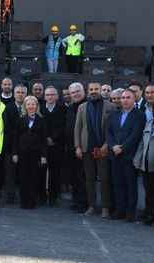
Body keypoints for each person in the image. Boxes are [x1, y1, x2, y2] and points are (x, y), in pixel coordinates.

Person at [74, 81, 116, 218]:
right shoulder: (82, 107)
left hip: (103, 148)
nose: (93, 91)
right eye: (91, 89)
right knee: (89, 178)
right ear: (88, 91)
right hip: (87, 148)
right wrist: (78, 146)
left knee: (104, 179)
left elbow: (113, 130)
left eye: (96, 89)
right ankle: (91, 206)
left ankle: (105, 207)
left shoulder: (111, 106)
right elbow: (77, 128)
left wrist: (106, 145)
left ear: (100, 90)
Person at [106, 89, 144, 221]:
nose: (125, 100)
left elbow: (136, 135)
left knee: (130, 185)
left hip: (129, 156)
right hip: (115, 155)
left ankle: (130, 212)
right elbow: (109, 132)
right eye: (123, 98)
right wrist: (113, 146)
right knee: (118, 184)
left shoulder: (139, 115)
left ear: (134, 100)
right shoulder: (114, 114)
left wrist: (122, 147)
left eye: (128, 97)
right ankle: (119, 210)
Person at [11, 96, 47, 209]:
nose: (31, 106)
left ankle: (32, 201)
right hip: (22, 153)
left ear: (36, 106)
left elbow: (43, 139)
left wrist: (43, 155)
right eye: (28, 104)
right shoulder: (20, 119)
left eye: (33, 104)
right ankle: (24, 201)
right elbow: (15, 138)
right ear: (25, 106)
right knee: (23, 177)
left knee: (34, 177)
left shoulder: (41, 120)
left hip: (36, 154)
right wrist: (15, 153)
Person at [41, 86, 67, 206]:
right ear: (44, 96)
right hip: (42, 146)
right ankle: (41, 196)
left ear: (57, 96)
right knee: (41, 171)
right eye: (48, 95)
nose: (50, 97)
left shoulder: (63, 109)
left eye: (52, 94)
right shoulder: (40, 109)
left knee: (55, 173)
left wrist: (53, 138)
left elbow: (63, 126)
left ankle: (53, 197)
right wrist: (45, 138)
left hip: (57, 145)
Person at [65, 82, 88, 212]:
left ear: (83, 91)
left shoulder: (88, 106)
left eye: (78, 91)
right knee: (73, 176)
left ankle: (83, 203)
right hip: (70, 148)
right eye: (73, 92)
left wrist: (79, 146)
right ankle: (75, 200)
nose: (75, 94)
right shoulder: (70, 107)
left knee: (82, 177)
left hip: (82, 148)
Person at [3, 84, 27, 204]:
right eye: (18, 92)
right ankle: (10, 197)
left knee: (24, 173)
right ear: (14, 93)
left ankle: (25, 196)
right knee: (10, 174)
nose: (20, 94)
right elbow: (7, 129)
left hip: (26, 147)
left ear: (26, 94)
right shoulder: (8, 108)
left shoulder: (30, 107)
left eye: (23, 92)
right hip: (10, 146)